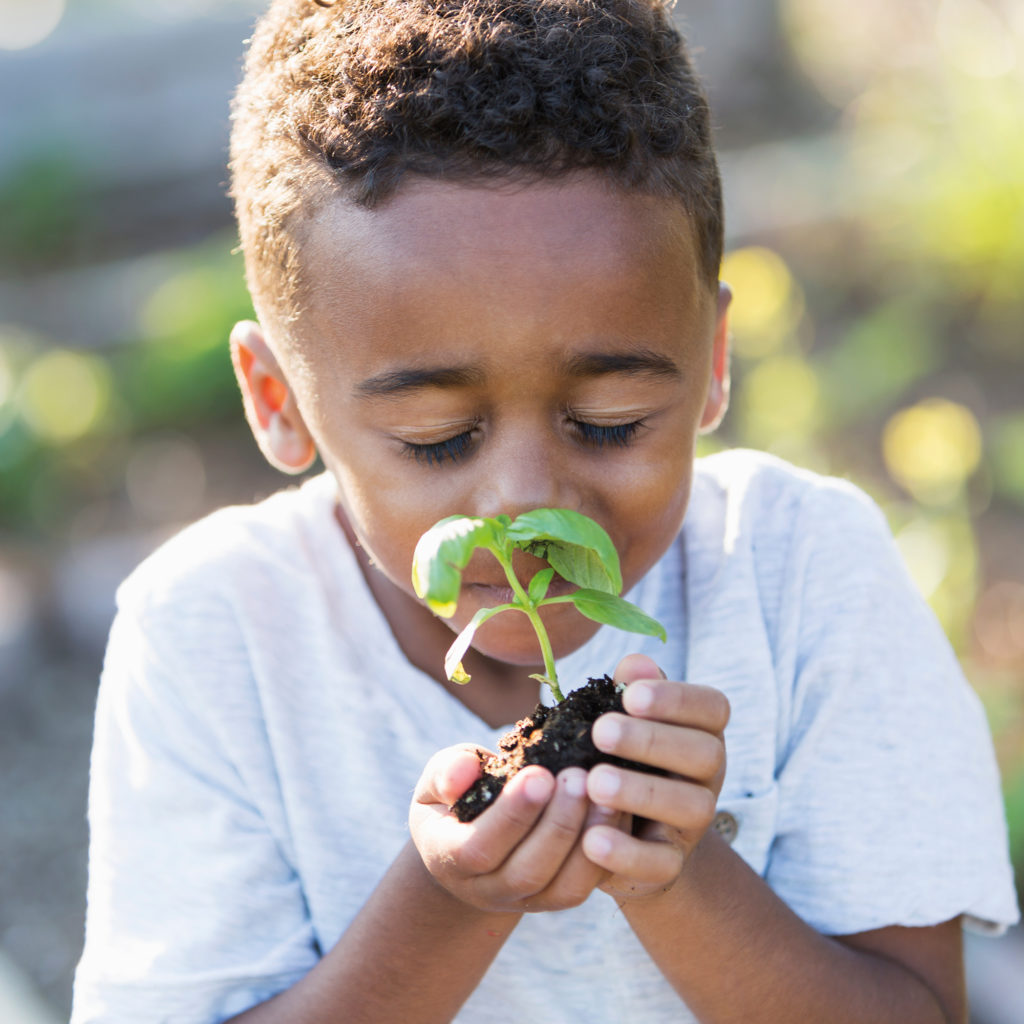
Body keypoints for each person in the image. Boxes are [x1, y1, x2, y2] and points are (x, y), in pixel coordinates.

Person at [71, 0, 1019, 1021]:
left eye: (611, 421)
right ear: (277, 401)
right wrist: (447, 902)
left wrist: (677, 874)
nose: (524, 502)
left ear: (710, 362)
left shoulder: (803, 570)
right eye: (435, 438)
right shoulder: (212, 634)